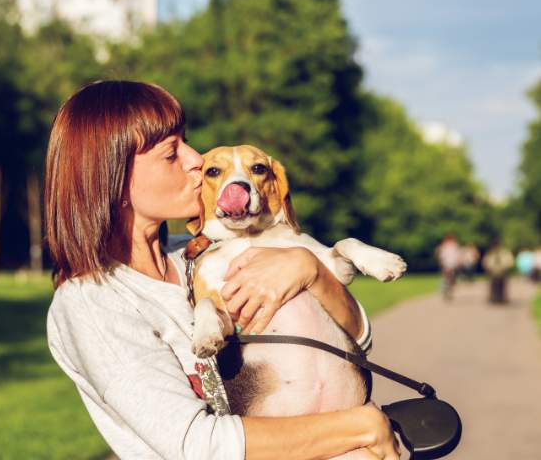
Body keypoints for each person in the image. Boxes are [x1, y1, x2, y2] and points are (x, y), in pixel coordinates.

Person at [44, 81, 399, 459]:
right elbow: (196, 446)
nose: (196, 158)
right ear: (113, 179)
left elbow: (356, 343)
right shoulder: (93, 303)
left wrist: (310, 270)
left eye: (186, 141)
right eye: (171, 153)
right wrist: (359, 427)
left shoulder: (204, 255)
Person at [435, 234, 462, 301]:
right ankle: (446, 289)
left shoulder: (445, 245)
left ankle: (445, 289)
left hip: (447, 264)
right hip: (451, 264)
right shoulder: (454, 245)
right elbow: (458, 255)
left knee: (447, 278)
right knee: (450, 278)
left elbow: (440, 255)